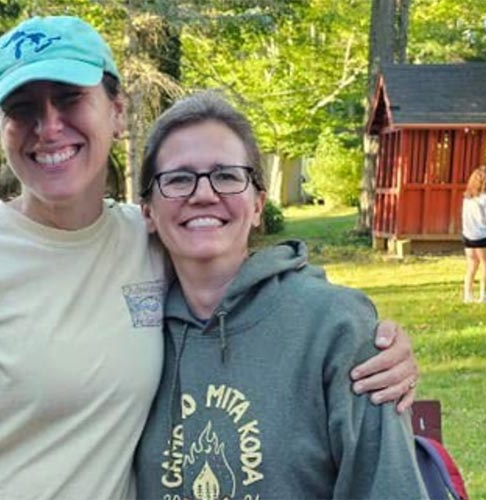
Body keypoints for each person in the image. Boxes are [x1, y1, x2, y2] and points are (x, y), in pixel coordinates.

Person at [0, 16, 419, 499]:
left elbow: (251, 282)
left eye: (70, 98)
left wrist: (369, 339)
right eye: (21, 108)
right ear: (1, 130)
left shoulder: (148, 237)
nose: (48, 127)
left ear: (117, 111)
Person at [133, 91, 428, 499]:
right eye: (178, 178)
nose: (203, 194)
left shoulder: (336, 327)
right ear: (147, 211)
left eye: (227, 175)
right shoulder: (130, 335)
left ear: (257, 204)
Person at [461, 167, 486, 303]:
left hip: (468, 234)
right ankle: (484, 294)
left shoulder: (468, 197)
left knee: (471, 265)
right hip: (482, 235)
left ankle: (468, 294)